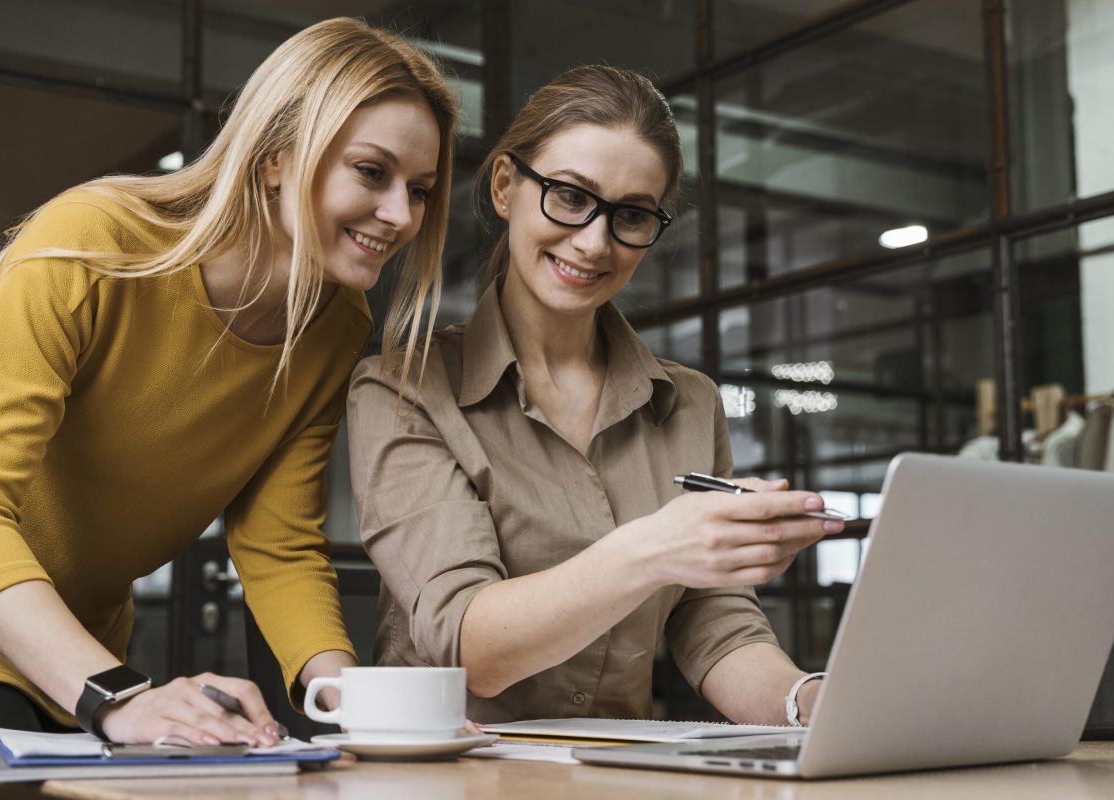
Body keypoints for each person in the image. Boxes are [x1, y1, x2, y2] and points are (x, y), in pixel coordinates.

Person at [0, 17, 457, 746]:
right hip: (41, 653)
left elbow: (278, 542)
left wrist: (360, 710)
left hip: (74, 652)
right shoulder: (88, 246)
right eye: (371, 171)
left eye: (419, 190)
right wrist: (117, 698)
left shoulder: (334, 326)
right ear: (273, 158)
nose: (400, 216)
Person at [346, 65, 838, 726]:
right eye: (570, 196)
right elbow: (470, 645)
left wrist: (810, 704)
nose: (594, 241)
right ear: (503, 186)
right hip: (447, 775)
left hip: (611, 770)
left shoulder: (689, 403)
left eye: (632, 214)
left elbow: (715, 626)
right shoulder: (401, 389)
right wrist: (658, 548)